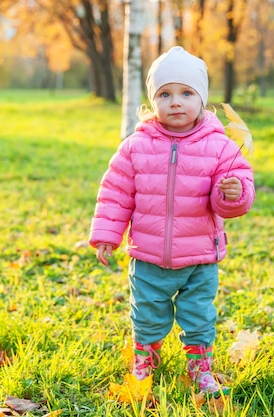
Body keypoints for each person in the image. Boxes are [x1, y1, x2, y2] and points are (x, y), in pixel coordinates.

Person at [89, 46, 255, 397]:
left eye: (186, 93)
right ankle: (145, 358)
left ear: (202, 99)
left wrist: (233, 191)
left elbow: (235, 201)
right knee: (147, 313)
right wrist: (107, 234)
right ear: (153, 101)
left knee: (199, 316)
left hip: (199, 258)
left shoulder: (221, 147)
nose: (175, 102)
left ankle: (200, 365)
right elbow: (116, 193)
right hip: (149, 256)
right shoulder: (136, 146)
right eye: (165, 94)